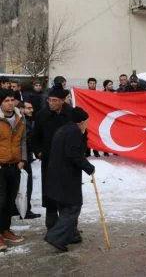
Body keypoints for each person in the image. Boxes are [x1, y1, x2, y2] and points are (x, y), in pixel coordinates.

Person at [44, 107, 95, 252]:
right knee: (73, 207)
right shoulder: (74, 132)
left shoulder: (64, 129)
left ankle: (70, 235)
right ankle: (56, 237)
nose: (87, 124)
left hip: (57, 175)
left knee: (66, 206)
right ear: (80, 122)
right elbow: (73, 154)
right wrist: (88, 167)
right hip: (66, 176)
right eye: (86, 121)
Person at [33, 84, 72, 230]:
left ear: (63, 100)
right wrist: (39, 152)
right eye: (50, 100)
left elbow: (80, 136)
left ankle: (68, 227)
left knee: (66, 196)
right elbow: (35, 138)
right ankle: (51, 226)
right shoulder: (41, 115)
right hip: (49, 161)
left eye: (55, 100)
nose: (52, 103)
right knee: (50, 194)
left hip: (67, 163)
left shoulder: (71, 114)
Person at [0, 89, 27, 251]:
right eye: (6, 100)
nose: (10, 103)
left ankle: (5, 230)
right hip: (0, 166)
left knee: (10, 201)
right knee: (0, 201)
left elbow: (23, 141)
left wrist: (23, 159)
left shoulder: (20, 118)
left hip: (14, 165)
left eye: (12, 99)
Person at [22, 100, 41, 219]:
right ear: (22, 109)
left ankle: (24, 209)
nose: (31, 110)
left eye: (32, 108)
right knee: (25, 185)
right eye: (28, 108)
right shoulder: (24, 123)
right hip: (23, 158)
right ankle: (25, 210)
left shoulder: (29, 121)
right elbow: (28, 140)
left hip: (26, 156)